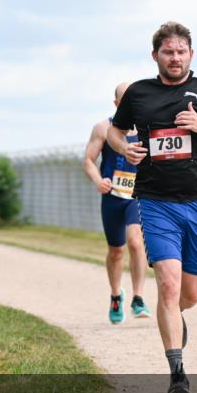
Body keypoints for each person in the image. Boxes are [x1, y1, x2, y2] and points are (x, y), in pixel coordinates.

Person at [107, 21, 197, 393]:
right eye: (168, 51)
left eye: (181, 51)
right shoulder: (139, 93)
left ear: (191, 54)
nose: (175, 57)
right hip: (156, 203)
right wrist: (124, 148)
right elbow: (116, 131)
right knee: (168, 284)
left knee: (190, 294)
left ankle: (174, 315)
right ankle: (177, 372)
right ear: (156, 56)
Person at [83, 82, 151, 324]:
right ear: (116, 103)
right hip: (112, 196)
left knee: (136, 242)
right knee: (116, 251)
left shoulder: (147, 127)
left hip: (136, 195)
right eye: (126, 99)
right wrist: (98, 180)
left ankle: (138, 298)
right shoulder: (103, 128)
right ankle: (115, 295)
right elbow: (88, 160)